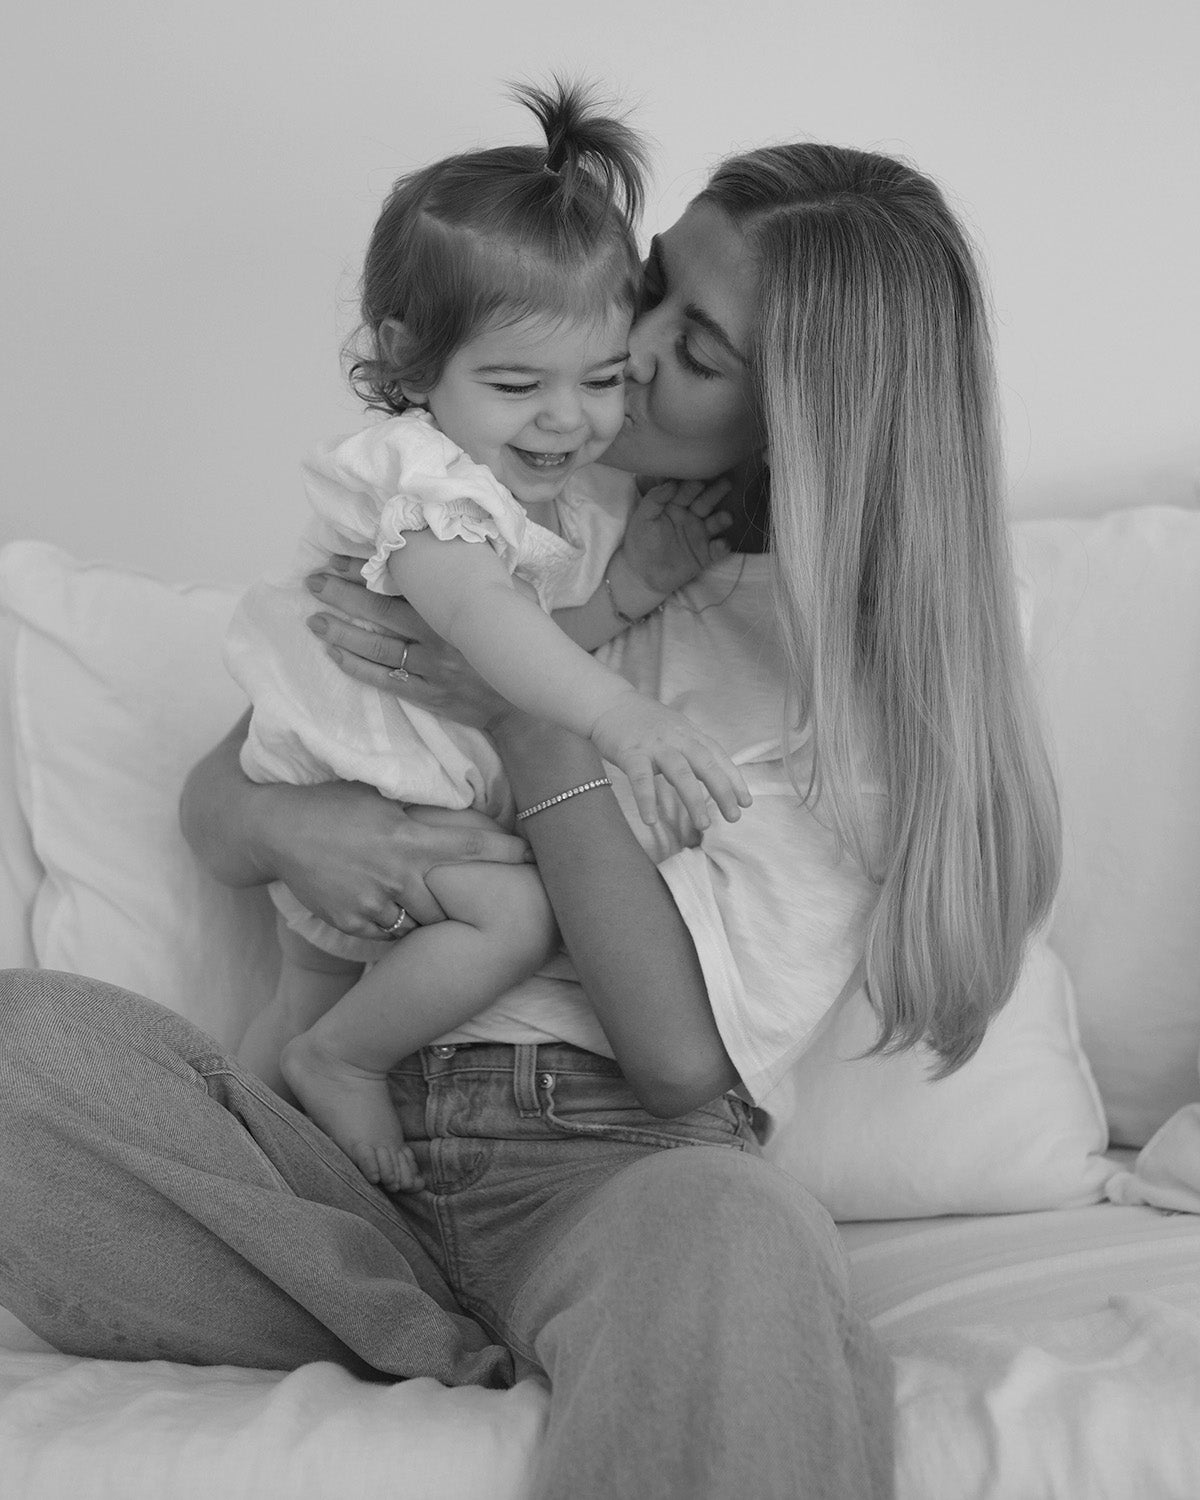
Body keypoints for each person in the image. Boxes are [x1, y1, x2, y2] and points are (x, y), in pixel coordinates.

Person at [0, 133, 1063, 1500]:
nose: (629, 343)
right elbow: (231, 792)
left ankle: (559, 1329)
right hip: (346, 1157)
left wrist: (526, 713)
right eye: (655, 281)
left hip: (615, 1170)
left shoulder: (858, 682)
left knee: (735, 1233)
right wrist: (299, 834)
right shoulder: (506, 477)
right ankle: (433, 1337)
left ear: (807, 408)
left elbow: (680, 1058)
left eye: (701, 346)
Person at [226, 80, 748, 1192]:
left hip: (393, 793)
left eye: (601, 378)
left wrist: (634, 586)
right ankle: (332, 1067)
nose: (571, 418)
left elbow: (529, 631)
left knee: (297, 1009)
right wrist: (619, 711)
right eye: (518, 384)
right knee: (508, 912)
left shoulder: (523, 486)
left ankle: (258, 1134)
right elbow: (484, 624)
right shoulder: (422, 483)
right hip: (362, 781)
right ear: (413, 360)